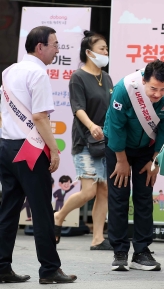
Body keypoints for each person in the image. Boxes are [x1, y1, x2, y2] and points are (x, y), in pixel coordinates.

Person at [0, 26, 76, 284]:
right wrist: (54, 150)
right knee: (43, 210)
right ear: (40, 47)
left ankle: (1, 267)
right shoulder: (38, 73)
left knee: (8, 210)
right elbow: (40, 116)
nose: (58, 49)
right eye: (54, 44)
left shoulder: (9, 71)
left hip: (6, 147)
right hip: (29, 149)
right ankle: (50, 270)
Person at [104, 59, 164, 271]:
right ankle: (119, 251)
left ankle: (141, 252)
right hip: (118, 147)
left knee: (144, 196)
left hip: (148, 148)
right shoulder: (124, 88)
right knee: (119, 195)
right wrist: (121, 160)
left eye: (162, 89)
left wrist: (155, 160)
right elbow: (116, 125)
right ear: (144, 80)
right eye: (153, 88)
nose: (157, 94)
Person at [54, 30, 113, 250]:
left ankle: (97, 238)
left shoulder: (106, 77)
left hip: (105, 142)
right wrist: (92, 126)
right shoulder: (78, 77)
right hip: (85, 141)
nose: (106, 52)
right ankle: (58, 215)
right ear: (89, 52)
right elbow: (77, 108)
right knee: (89, 191)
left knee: (104, 189)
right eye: (102, 48)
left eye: (106, 48)